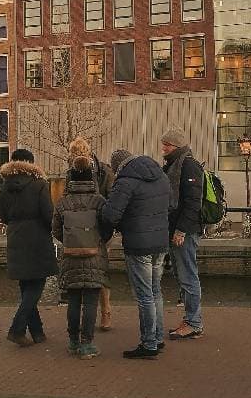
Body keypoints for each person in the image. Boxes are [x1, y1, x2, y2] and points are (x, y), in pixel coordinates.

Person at [100, 147, 170, 360]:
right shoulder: (161, 176)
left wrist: (124, 222)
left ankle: (149, 343)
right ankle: (158, 337)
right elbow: (172, 204)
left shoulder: (125, 181)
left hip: (138, 244)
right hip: (160, 242)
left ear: (118, 166)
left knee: (144, 296)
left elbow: (110, 215)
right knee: (156, 291)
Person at [52, 151, 113, 358]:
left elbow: (56, 230)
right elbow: (107, 229)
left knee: (74, 301)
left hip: (70, 257)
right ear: (92, 177)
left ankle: (72, 341)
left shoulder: (62, 203)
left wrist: (71, 241)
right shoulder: (99, 201)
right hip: (94, 256)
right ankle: (87, 344)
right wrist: (96, 240)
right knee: (90, 302)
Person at [0, 147, 58, 346]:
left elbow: (3, 216)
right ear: (31, 163)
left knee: (26, 287)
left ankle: (38, 332)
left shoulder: (5, 186)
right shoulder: (39, 184)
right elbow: (48, 214)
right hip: (37, 238)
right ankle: (16, 329)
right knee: (37, 285)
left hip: (15, 237)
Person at [162, 126, 205, 339]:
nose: (163, 148)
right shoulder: (173, 166)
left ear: (176, 146)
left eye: (167, 145)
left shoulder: (188, 166)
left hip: (184, 232)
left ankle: (194, 322)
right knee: (182, 275)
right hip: (177, 230)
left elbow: (192, 203)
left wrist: (181, 230)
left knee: (188, 275)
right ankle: (190, 318)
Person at [67, 137, 115, 330]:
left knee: (85, 270)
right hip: (93, 226)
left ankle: (101, 312)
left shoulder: (101, 171)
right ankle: (103, 313)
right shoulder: (102, 171)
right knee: (99, 269)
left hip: (91, 227)